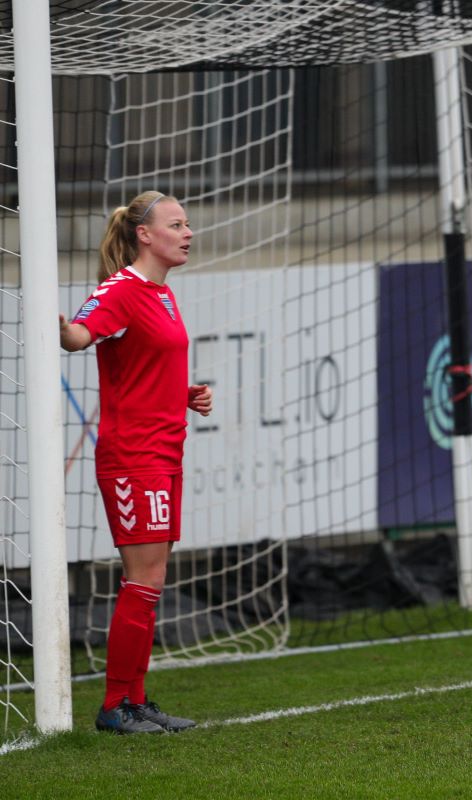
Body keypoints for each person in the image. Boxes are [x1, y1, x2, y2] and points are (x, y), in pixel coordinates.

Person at [60, 190, 212, 734]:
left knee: (152, 579)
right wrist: (62, 330)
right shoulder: (122, 289)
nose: (188, 232)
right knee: (141, 580)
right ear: (144, 235)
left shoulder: (164, 295)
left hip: (166, 448)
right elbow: (81, 335)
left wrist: (184, 393)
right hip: (133, 456)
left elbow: (144, 365)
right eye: (177, 223)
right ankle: (113, 707)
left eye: (188, 223)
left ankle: (137, 699)